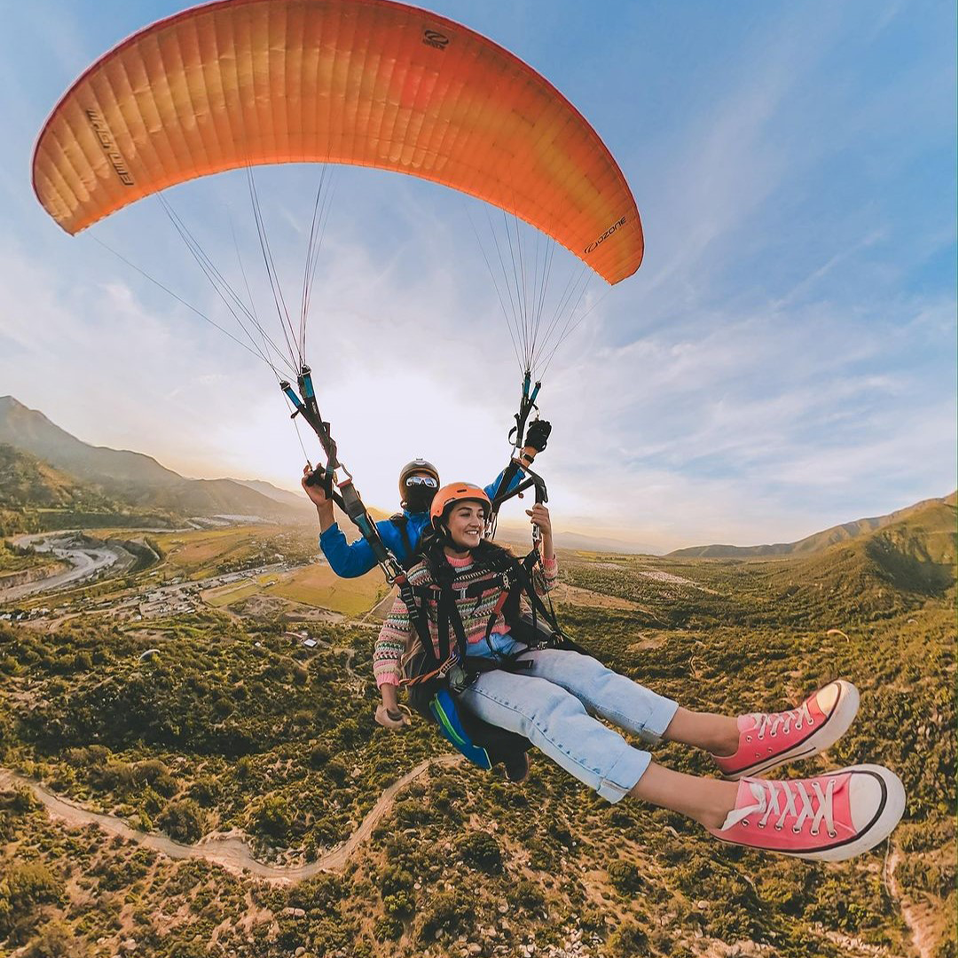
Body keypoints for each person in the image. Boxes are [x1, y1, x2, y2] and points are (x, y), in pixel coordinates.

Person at [372, 483, 906, 861]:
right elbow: (392, 638)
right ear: (443, 522)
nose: (474, 522)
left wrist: (548, 537)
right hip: (468, 676)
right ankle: (722, 807)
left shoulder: (496, 562)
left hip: (514, 649)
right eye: (463, 514)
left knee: (591, 676)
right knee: (549, 707)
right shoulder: (422, 578)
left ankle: (732, 741)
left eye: (479, 514)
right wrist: (388, 697)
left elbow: (545, 585)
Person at [301, 421, 551, 577]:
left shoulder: (455, 514)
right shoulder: (390, 531)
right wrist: (325, 509)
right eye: (415, 481)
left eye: (428, 482)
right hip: (428, 612)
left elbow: (494, 491)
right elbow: (347, 564)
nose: (422, 486)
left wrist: (528, 454)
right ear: (404, 488)